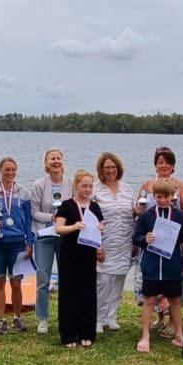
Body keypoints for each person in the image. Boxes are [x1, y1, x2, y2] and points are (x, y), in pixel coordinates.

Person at [136, 146, 183, 338]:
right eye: (160, 162)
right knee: (149, 299)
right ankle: (146, 334)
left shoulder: (178, 211)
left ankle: (178, 333)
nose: (164, 165)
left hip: (172, 261)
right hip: (151, 262)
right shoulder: (146, 213)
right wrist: (145, 238)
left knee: (175, 298)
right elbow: (137, 236)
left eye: (167, 162)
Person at [0, 157, 34, 335]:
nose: (10, 173)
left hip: (17, 243)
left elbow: (29, 220)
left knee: (16, 283)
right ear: (0, 170)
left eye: (13, 170)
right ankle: (1, 319)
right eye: (6, 170)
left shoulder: (24, 193)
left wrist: (30, 242)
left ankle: (17, 317)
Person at [53, 169, 106, 347]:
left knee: (88, 293)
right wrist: (74, 226)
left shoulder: (95, 206)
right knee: (69, 293)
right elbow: (58, 229)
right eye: (84, 186)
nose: (87, 189)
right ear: (76, 186)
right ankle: (68, 334)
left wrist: (100, 234)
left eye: (90, 186)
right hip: (70, 253)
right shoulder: (67, 205)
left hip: (88, 254)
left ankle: (87, 333)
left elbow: (100, 227)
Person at [92, 151, 137, 332]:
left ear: (118, 168)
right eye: (107, 167)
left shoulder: (127, 189)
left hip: (125, 240)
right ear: (101, 170)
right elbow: (92, 220)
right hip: (105, 241)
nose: (110, 170)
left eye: (113, 167)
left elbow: (131, 214)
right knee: (103, 280)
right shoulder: (95, 190)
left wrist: (135, 241)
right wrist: (97, 245)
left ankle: (111, 316)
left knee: (119, 279)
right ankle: (98, 318)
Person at [28, 148, 71, 335]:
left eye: (58, 158)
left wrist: (64, 219)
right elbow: (33, 212)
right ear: (46, 163)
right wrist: (52, 218)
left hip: (65, 236)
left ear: (63, 161)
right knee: (43, 278)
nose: (56, 161)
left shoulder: (71, 183)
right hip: (44, 237)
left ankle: (66, 316)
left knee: (68, 279)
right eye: (52, 158)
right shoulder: (39, 185)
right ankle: (43, 318)